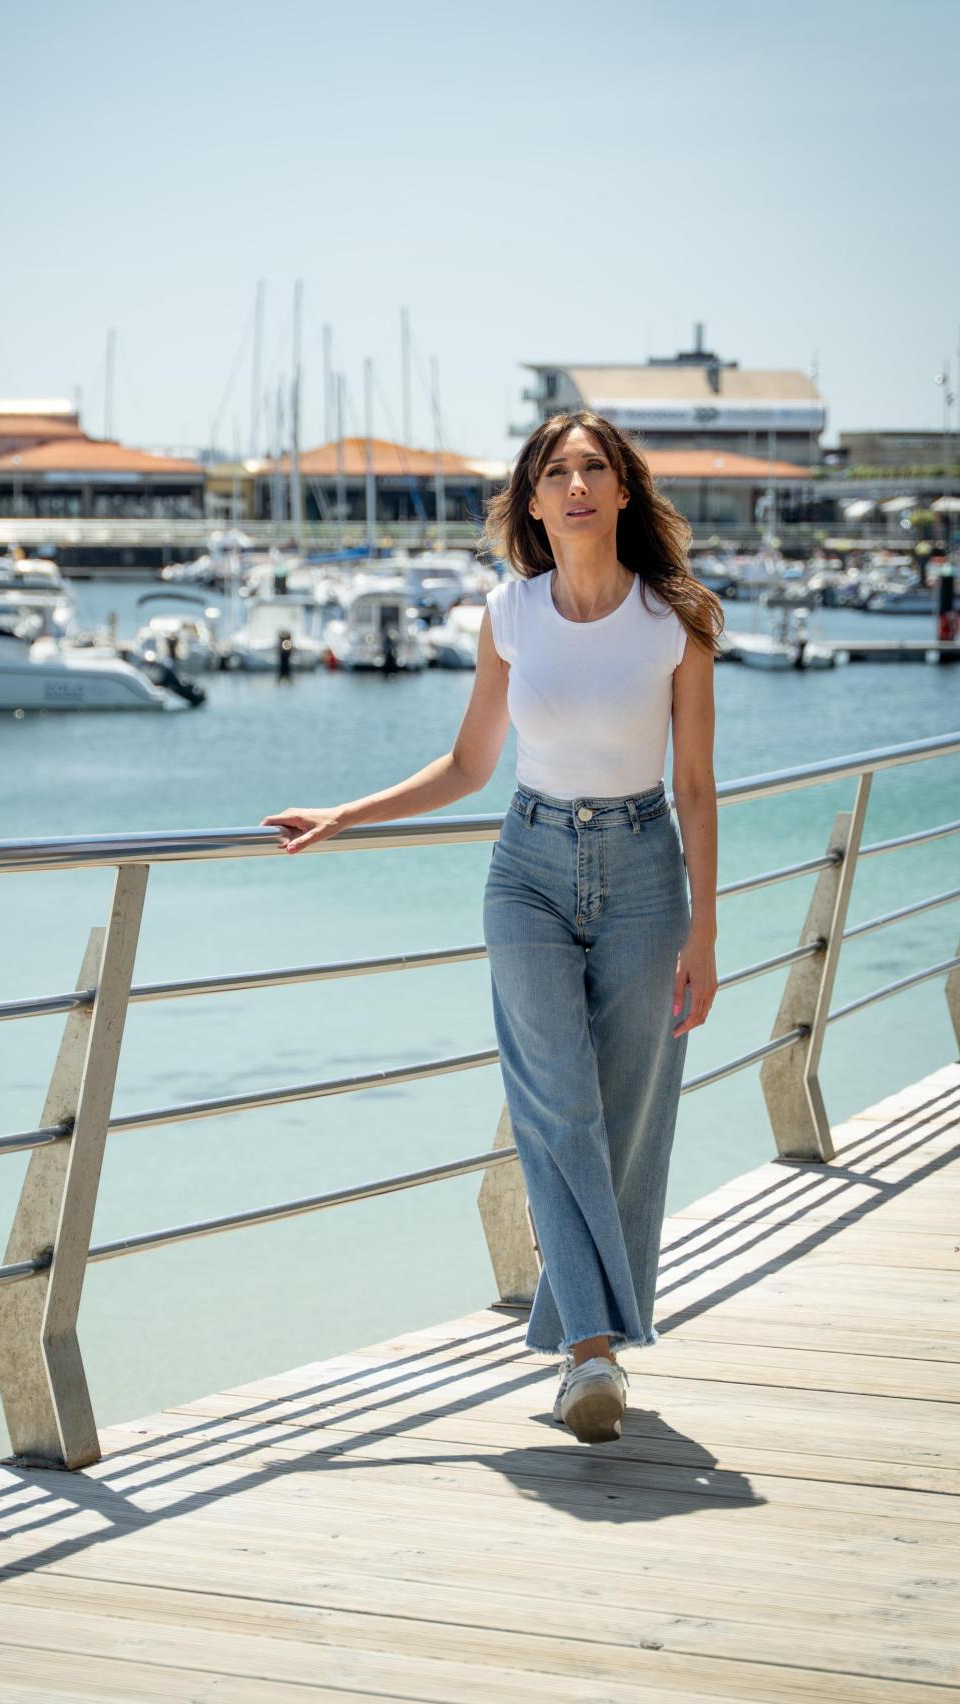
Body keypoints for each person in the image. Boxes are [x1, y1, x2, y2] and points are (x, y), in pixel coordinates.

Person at [261, 409, 722, 1444]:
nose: (575, 485)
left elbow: (694, 785)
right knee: (556, 1107)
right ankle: (589, 1353)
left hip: (647, 873)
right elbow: (471, 764)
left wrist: (704, 930)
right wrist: (346, 814)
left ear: (622, 490)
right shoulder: (508, 613)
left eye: (593, 468)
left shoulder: (677, 618)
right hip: (527, 870)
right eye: (555, 471)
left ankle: (588, 1339)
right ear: (532, 501)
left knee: (623, 1112)